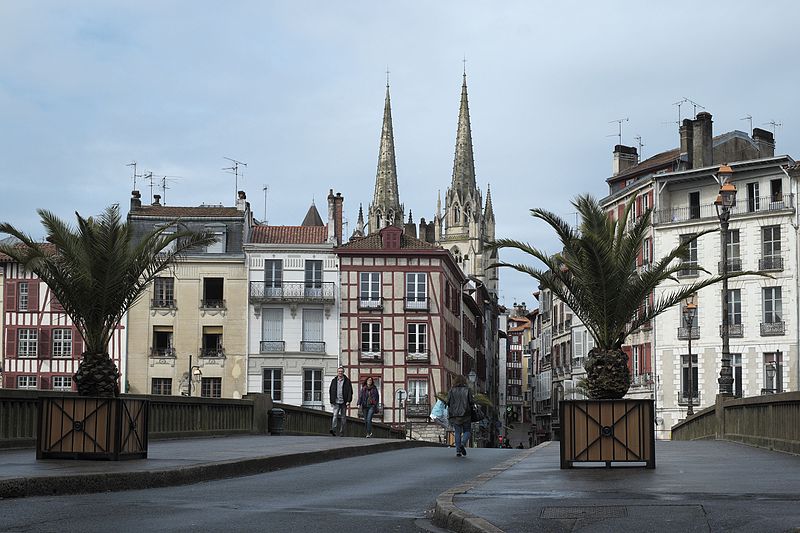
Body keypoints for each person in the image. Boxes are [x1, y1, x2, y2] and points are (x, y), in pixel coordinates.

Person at [446, 375, 474, 457]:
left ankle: (458, 451)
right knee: (467, 431)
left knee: (457, 432)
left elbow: (448, 402)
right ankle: (462, 443)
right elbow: (471, 402)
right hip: (466, 414)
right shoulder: (467, 390)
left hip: (455, 415)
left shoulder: (452, 390)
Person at [329, 367, 353, 436]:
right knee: (335, 416)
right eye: (339, 371)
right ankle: (333, 430)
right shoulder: (334, 380)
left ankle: (342, 432)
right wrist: (331, 401)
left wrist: (348, 401)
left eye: (341, 371)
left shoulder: (347, 381)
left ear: (343, 372)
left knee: (343, 418)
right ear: (337, 372)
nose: (340, 373)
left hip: (344, 402)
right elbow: (331, 390)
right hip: (336, 401)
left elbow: (350, 391)